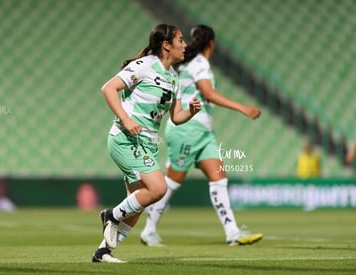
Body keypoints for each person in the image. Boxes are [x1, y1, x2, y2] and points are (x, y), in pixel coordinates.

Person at [140, 25, 263, 247]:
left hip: (204, 133)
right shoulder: (199, 64)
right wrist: (242, 107)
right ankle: (148, 229)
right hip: (187, 129)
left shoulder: (187, 63)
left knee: (219, 178)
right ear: (212, 44)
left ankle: (232, 232)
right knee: (172, 181)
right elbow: (208, 93)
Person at [91, 24, 201, 263]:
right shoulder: (143, 66)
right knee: (158, 189)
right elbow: (108, 88)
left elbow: (176, 117)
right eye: (180, 40)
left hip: (148, 144)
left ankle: (102, 253)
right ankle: (111, 215)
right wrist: (126, 119)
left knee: (138, 203)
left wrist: (190, 112)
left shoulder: (173, 77)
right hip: (126, 138)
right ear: (166, 45)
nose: (185, 45)